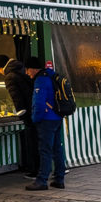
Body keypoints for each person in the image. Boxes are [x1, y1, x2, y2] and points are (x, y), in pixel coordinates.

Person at [24, 56, 66, 191]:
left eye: (27, 69)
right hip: (57, 117)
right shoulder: (52, 76)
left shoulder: (41, 80)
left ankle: (42, 180)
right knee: (57, 149)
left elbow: (39, 103)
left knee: (45, 150)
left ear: (33, 69)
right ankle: (59, 179)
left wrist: (35, 119)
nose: (26, 73)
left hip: (46, 119)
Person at [0, 53, 38, 178]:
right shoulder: (22, 68)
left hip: (28, 112)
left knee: (32, 140)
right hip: (35, 109)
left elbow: (16, 96)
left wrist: (20, 112)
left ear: (0, 67)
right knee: (38, 140)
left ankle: (34, 170)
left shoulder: (10, 76)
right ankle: (41, 168)